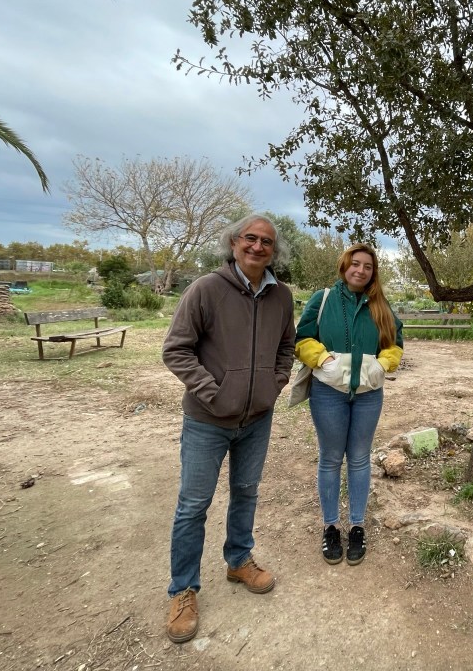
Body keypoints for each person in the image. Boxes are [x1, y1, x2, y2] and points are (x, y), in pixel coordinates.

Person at [161, 214, 296, 644]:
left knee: (247, 492)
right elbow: (176, 350)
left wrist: (274, 385)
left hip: (257, 418)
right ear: (234, 242)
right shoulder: (206, 289)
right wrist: (213, 392)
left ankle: (238, 560)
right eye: (250, 239)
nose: (258, 247)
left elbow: (287, 347)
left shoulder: (282, 296)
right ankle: (183, 589)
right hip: (206, 421)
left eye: (267, 243)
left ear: (275, 252)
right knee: (193, 505)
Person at [295, 243, 403, 567]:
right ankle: (330, 526)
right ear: (345, 266)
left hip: (369, 394)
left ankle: (356, 525)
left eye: (367, 266)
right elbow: (301, 338)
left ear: (374, 272)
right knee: (330, 458)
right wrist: (322, 358)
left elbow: (396, 344)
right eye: (355, 264)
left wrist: (382, 365)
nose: (360, 270)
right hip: (328, 392)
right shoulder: (323, 298)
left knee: (359, 459)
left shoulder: (381, 305)